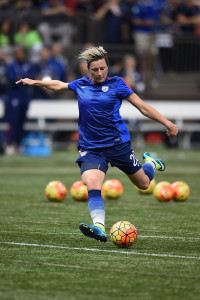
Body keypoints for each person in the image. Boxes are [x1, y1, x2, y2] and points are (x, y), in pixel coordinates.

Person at [16, 46, 178, 242]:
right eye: (95, 70)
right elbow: (58, 85)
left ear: (107, 67)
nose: (100, 73)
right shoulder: (80, 84)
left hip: (118, 144)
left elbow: (143, 107)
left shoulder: (118, 84)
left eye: (102, 68)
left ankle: (151, 163)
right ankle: (99, 227)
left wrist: (167, 123)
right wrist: (35, 82)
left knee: (144, 184)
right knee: (92, 183)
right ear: (88, 70)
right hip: (91, 147)